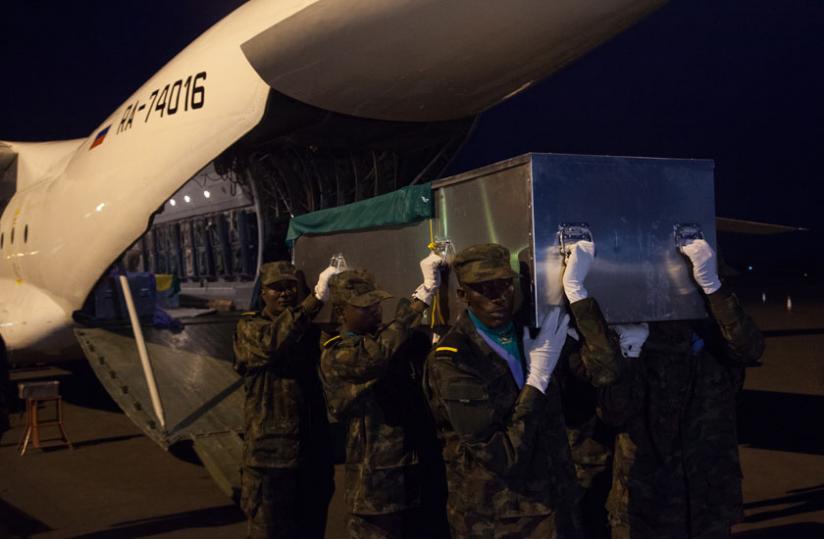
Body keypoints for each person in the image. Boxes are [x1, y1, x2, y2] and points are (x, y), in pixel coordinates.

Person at [423, 242, 618, 538]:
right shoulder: (454, 359)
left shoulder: (531, 332)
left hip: (558, 511)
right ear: (463, 296)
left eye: (504, 285)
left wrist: (577, 294)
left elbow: (606, 373)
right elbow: (503, 456)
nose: (498, 297)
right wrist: (536, 380)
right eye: (484, 289)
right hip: (500, 523)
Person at [599, 239, 765, 538]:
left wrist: (714, 289)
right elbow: (614, 411)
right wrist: (629, 355)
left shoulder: (715, 332)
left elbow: (750, 348)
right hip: (650, 503)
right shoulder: (638, 329)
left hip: (709, 499)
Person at [319, 252, 444, 538]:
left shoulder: (384, 338)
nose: (375, 311)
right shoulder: (337, 352)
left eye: (376, 304)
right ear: (341, 312)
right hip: (373, 489)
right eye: (365, 307)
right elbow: (377, 354)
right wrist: (421, 299)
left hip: (409, 477)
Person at [233, 261, 338, 539]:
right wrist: (314, 300)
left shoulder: (308, 327)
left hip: (311, 453)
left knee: (311, 530)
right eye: (275, 288)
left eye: (290, 287)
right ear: (262, 293)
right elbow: (272, 344)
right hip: (270, 458)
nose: (284, 294)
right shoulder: (250, 327)